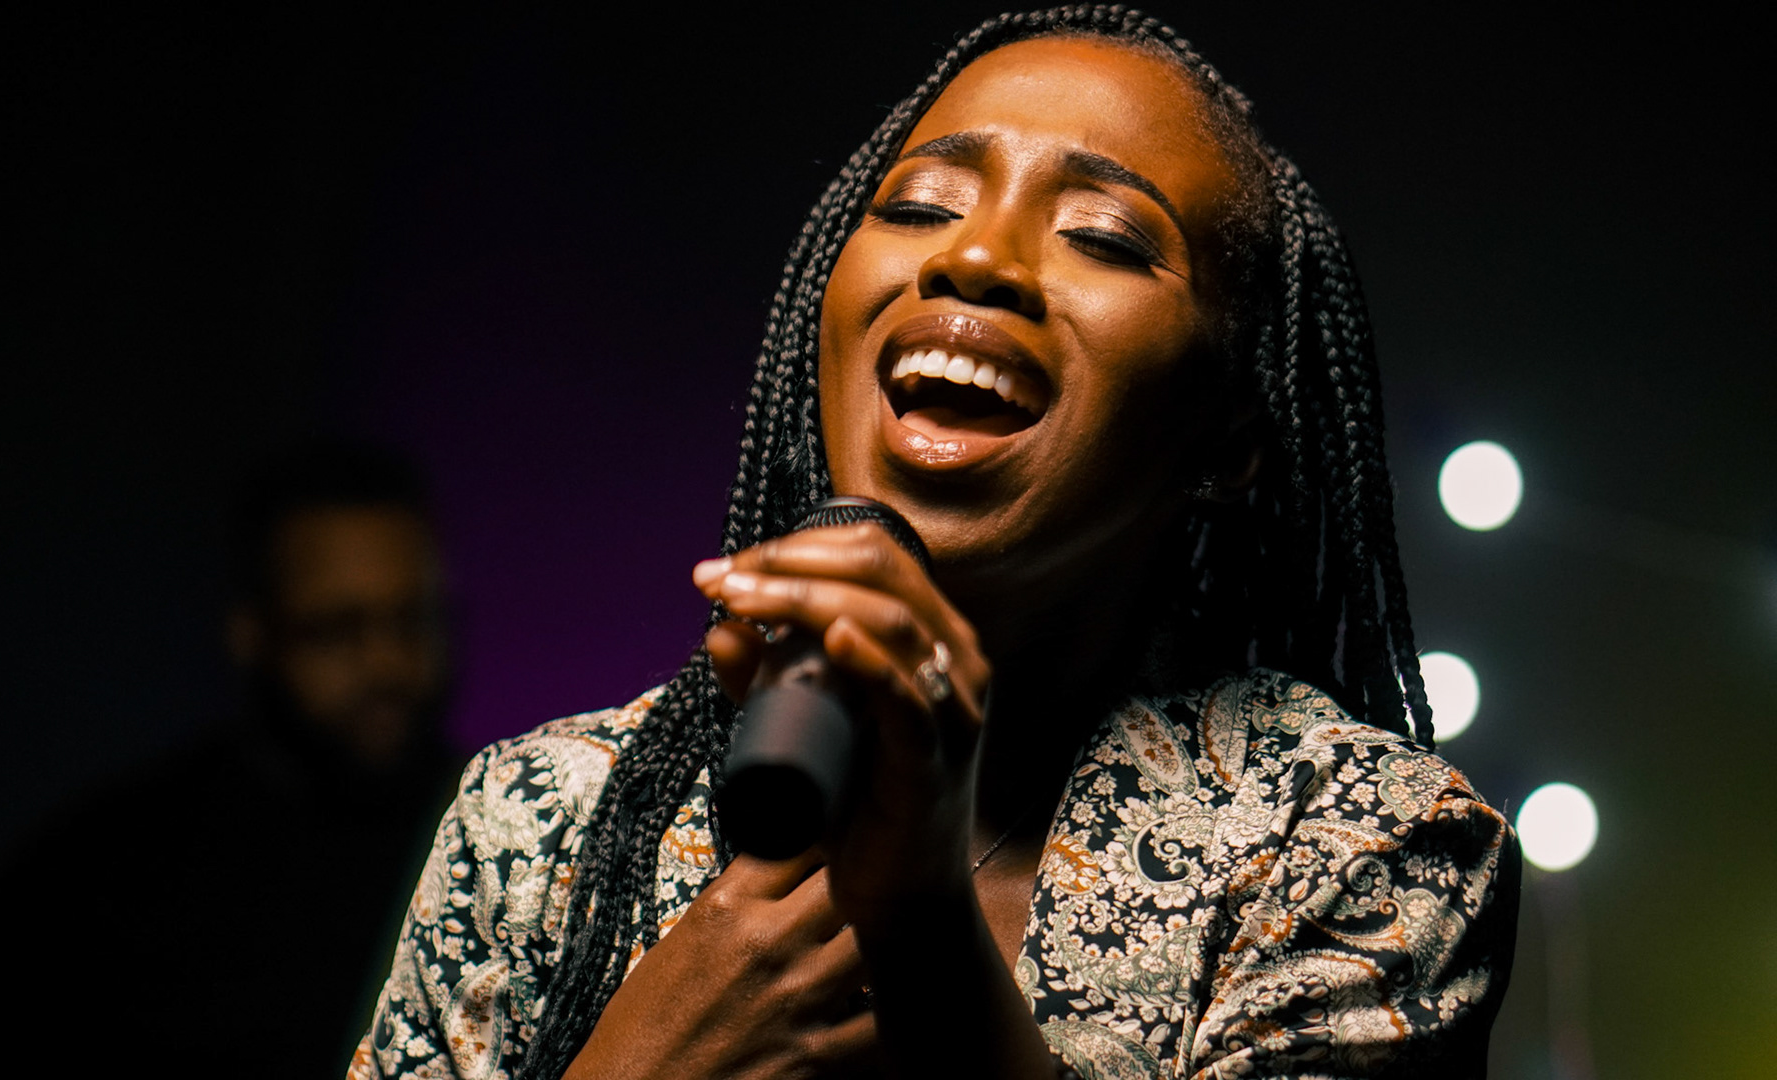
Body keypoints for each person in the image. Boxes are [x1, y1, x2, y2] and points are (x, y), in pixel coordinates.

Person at [352, 9, 1518, 1079]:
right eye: (918, 208)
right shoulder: (540, 819)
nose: (975, 259)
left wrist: (922, 932)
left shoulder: (1356, 849)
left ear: (1227, 436)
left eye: (1104, 237)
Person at [0, 439, 462, 1078]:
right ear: (251, 633)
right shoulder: (113, 864)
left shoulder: (494, 839)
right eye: (336, 630)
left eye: (412, 621)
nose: (386, 665)